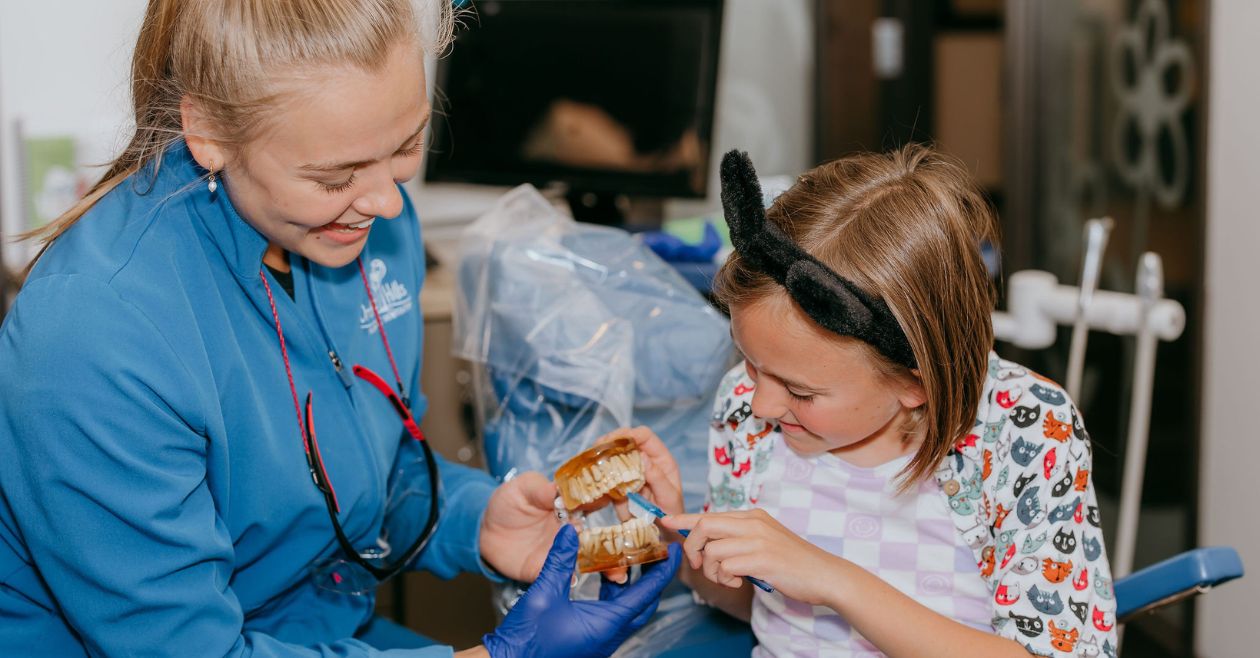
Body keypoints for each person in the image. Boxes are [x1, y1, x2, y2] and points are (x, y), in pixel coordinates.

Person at [0, 1, 679, 656]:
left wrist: (478, 520)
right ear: (207, 133)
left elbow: (372, 472)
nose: (387, 202)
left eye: (406, 145)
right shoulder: (94, 333)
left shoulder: (362, 227)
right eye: (334, 177)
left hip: (318, 632)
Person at [652, 147, 1119, 657]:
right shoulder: (744, 406)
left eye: (801, 392)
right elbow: (754, 605)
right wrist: (677, 539)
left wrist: (833, 580)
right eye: (749, 362)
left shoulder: (1022, 430)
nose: (760, 404)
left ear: (918, 384)